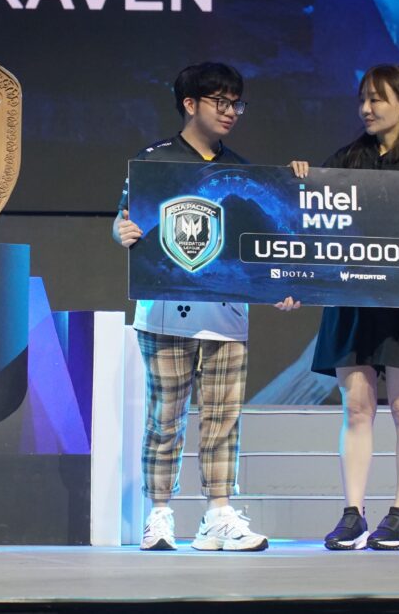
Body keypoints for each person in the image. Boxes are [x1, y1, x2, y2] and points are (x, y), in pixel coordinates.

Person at [278, 64, 399, 551]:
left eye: (377, 98)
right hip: (352, 301)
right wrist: (302, 181)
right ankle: (352, 514)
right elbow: (312, 223)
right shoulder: (345, 160)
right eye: (362, 98)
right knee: (356, 407)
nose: (366, 108)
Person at [113, 62, 269, 551]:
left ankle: (218, 514)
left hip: (226, 314)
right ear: (190, 104)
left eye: (237, 103)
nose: (231, 112)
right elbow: (124, 220)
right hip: (164, 310)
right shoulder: (154, 161)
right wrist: (121, 231)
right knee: (165, 418)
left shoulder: (242, 171)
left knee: (223, 419)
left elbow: (257, 245)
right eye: (221, 102)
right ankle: (159, 514)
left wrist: (278, 281)